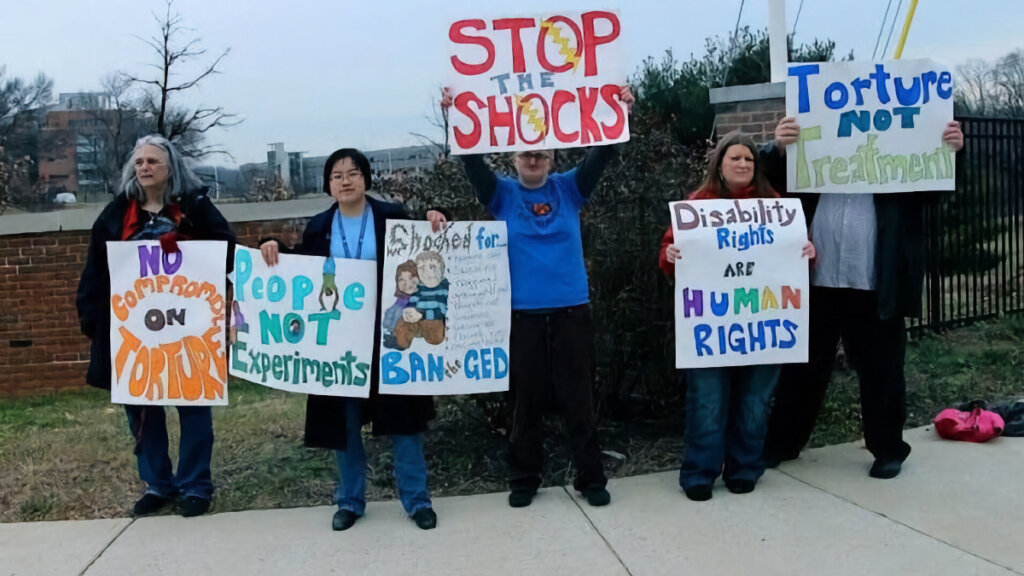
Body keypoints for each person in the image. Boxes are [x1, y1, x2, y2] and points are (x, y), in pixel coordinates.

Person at [434, 85, 634, 509]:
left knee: (579, 399)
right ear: (512, 158)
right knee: (524, 402)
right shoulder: (501, 194)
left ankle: (590, 476)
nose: (534, 159)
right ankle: (524, 477)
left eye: (542, 153)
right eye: (526, 153)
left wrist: (620, 112)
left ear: (553, 159)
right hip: (521, 316)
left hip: (570, 312)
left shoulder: (569, 189)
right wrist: (456, 116)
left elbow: (603, 154)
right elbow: (470, 160)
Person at [760, 117, 965, 478]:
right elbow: (770, 182)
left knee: (882, 369)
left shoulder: (897, 161)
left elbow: (935, 192)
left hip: (875, 280)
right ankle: (782, 442)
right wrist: (777, 148)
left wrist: (951, 153)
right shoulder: (813, 157)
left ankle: (887, 449)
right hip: (815, 278)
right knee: (801, 368)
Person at [259, 148, 444, 531]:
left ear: (365, 179)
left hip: (391, 336)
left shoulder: (391, 216)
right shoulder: (318, 226)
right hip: (339, 343)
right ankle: (350, 500)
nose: (345, 180)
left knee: (404, 423)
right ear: (328, 184)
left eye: (353, 173)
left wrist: (433, 220)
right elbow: (302, 270)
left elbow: (425, 250)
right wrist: (273, 245)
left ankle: (417, 500)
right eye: (336, 175)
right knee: (344, 426)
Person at [76, 134, 235, 518]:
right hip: (134, 332)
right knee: (143, 410)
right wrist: (93, 321)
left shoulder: (196, 208)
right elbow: (97, 269)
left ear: (171, 169)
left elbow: (227, 251)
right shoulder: (116, 214)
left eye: (153, 161)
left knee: (194, 407)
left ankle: (195, 486)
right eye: (139, 161)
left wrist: (186, 244)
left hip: (189, 331)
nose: (144, 167)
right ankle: (158, 484)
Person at [658, 131, 815, 501]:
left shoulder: (775, 205)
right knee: (707, 402)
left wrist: (809, 251)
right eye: (735, 158)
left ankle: (745, 468)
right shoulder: (698, 205)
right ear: (720, 163)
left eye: (749, 159)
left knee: (755, 402)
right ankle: (700, 472)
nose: (743, 164)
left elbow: (795, 252)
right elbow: (667, 250)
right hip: (711, 330)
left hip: (764, 325)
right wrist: (670, 256)